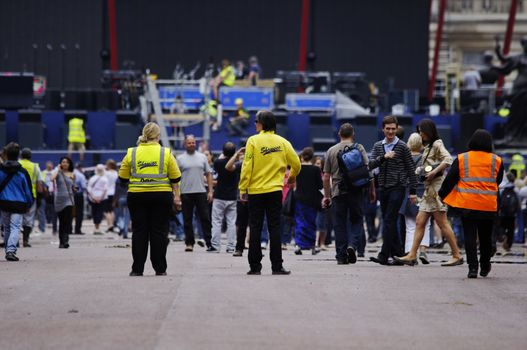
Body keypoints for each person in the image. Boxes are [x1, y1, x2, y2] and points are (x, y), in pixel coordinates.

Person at [239, 110, 301, 275]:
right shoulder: (283, 142)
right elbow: (297, 163)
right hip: (274, 191)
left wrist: (243, 188)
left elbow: (247, 167)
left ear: (262, 123)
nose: (254, 124)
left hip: (255, 191)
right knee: (274, 227)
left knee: (255, 227)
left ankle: (254, 267)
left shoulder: (253, 141)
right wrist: (292, 178)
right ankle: (277, 266)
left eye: (256, 121)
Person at [395, 119, 463, 266]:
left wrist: (434, 172)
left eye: (422, 131)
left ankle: (457, 255)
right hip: (428, 190)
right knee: (420, 221)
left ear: (428, 131)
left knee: (442, 222)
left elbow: (449, 159)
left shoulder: (437, 144)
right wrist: (421, 171)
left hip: (436, 189)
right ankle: (412, 254)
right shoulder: (428, 147)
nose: (420, 134)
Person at [119, 122, 181, 276]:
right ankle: (160, 268)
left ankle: (137, 269)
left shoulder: (131, 152)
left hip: (137, 196)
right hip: (161, 196)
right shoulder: (165, 153)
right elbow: (176, 177)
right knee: (159, 232)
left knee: (139, 232)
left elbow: (122, 177)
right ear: (158, 136)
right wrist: (177, 196)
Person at [438, 129, 503, 278]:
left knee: (469, 236)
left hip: (467, 204)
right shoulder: (497, 160)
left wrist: (442, 194)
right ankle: (485, 265)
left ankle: (473, 268)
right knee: (486, 237)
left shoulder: (462, 158)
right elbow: (497, 181)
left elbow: (450, 180)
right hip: (488, 205)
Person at [368, 115, 417, 265]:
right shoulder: (377, 146)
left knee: (389, 219)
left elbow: (411, 169)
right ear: (383, 129)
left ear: (397, 129)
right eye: (388, 129)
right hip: (383, 188)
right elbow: (371, 165)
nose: (390, 132)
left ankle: (384, 255)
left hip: (398, 187)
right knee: (388, 220)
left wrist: (413, 191)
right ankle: (399, 254)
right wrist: (384, 157)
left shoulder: (402, 146)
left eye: (393, 129)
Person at [322, 123, 374, 264]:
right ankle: (352, 245)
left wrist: (327, 196)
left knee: (339, 224)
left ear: (339, 134)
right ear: (353, 134)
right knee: (356, 220)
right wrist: (372, 190)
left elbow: (326, 177)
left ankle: (341, 256)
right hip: (356, 190)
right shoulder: (359, 148)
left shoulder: (331, 151)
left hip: (338, 191)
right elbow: (367, 170)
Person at [177, 135, 214, 252]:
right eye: (189, 143)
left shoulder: (202, 157)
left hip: (201, 192)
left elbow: (208, 174)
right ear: (185, 144)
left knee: (205, 218)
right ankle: (189, 243)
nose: (192, 144)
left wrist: (210, 192)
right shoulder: (180, 159)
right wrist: (176, 195)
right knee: (187, 219)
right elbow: (175, 178)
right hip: (186, 193)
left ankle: (209, 242)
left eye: (193, 142)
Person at [399, 133, 432, 262]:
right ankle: (423, 250)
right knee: (425, 224)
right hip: (423, 193)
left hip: (409, 193)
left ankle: (409, 252)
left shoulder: (404, 159)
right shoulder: (425, 159)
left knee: (410, 226)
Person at [0, 143, 33, 261]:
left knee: (7, 227)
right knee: (15, 227)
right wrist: (29, 203)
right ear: (18, 155)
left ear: (7, 154)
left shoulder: (1, 170)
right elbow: (28, 191)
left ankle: (7, 250)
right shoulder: (22, 172)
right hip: (19, 203)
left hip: (3, 202)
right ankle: (10, 251)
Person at [210, 142, 240, 253]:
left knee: (217, 222)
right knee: (231, 223)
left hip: (219, 196)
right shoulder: (237, 165)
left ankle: (215, 246)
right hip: (232, 197)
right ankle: (231, 247)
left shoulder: (218, 162)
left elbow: (220, 158)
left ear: (223, 151)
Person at [294, 147, 323, 255]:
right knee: (311, 222)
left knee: (300, 222)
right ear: (312, 157)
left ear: (302, 156)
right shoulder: (316, 170)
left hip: (300, 199)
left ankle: (298, 245)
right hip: (312, 200)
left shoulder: (297, 169)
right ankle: (312, 246)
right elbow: (320, 186)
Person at [226, 146, 248, 257]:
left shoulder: (258, 163)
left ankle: (255, 248)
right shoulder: (242, 164)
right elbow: (228, 166)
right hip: (242, 198)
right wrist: (237, 153)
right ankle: (239, 248)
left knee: (256, 225)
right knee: (241, 225)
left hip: (257, 195)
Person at [18, 148, 42, 247]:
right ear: (30, 156)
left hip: (17, 195)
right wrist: (40, 197)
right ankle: (25, 240)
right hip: (31, 196)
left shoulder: (16, 164)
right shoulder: (35, 167)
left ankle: (14, 241)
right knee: (28, 218)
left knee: (17, 217)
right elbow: (39, 183)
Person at [51, 157, 75, 249]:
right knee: (61, 221)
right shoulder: (58, 173)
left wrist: (75, 188)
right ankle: (61, 241)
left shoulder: (72, 174)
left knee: (67, 220)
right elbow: (51, 178)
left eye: (67, 162)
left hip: (69, 199)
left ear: (69, 164)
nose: (65, 164)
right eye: (63, 162)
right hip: (59, 199)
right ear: (60, 163)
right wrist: (57, 169)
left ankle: (65, 240)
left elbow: (73, 186)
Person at [498, 172, 520, 255]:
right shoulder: (515, 189)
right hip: (512, 214)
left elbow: (499, 200)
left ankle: (502, 237)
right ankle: (508, 245)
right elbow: (518, 201)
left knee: (501, 227)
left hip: (503, 213)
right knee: (511, 229)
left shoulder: (502, 188)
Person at [87, 164, 109, 235]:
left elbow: (89, 189)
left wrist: (93, 197)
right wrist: (100, 198)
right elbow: (105, 190)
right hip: (101, 199)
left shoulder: (92, 178)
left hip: (93, 198)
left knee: (94, 212)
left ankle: (96, 228)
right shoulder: (105, 179)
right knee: (99, 213)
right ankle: (98, 228)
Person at [42, 161, 57, 234]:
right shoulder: (43, 173)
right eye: (48, 165)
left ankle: (54, 228)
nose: (50, 166)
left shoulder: (55, 172)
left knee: (54, 210)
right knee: (46, 207)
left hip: (54, 192)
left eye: (51, 165)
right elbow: (41, 182)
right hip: (46, 192)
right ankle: (47, 220)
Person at [104, 159, 118, 232]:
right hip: (114, 193)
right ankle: (112, 224)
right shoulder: (116, 173)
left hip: (107, 193)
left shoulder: (106, 173)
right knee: (112, 210)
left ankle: (109, 225)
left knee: (107, 211)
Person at [73, 163, 87, 235]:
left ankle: (68, 229)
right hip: (78, 195)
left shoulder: (70, 174)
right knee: (79, 213)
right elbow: (84, 186)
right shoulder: (81, 176)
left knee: (70, 213)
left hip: (70, 195)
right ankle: (77, 230)